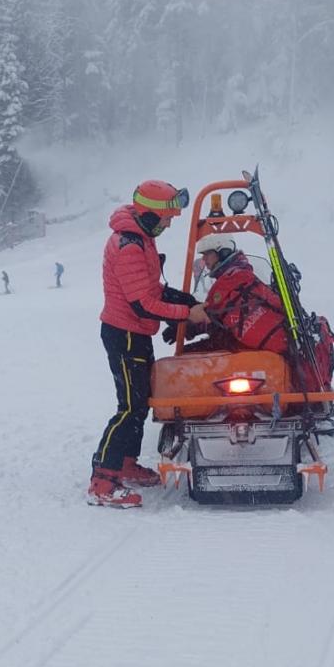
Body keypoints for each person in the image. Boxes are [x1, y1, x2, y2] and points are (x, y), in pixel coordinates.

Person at [88, 180, 196, 508]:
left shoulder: (142, 239)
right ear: (149, 215)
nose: (169, 223)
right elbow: (143, 303)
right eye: (166, 218)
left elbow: (153, 290)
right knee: (130, 407)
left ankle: (125, 463)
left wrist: (185, 302)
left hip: (137, 332)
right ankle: (103, 480)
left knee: (141, 401)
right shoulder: (128, 245)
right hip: (124, 334)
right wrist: (186, 315)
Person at [181, 235, 289, 354]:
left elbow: (211, 311)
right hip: (263, 343)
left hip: (261, 346)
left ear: (223, 252)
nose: (204, 259)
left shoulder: (232, 278)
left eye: (207, 254)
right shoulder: (242, 274)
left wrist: (186, 323)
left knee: (187, 356)